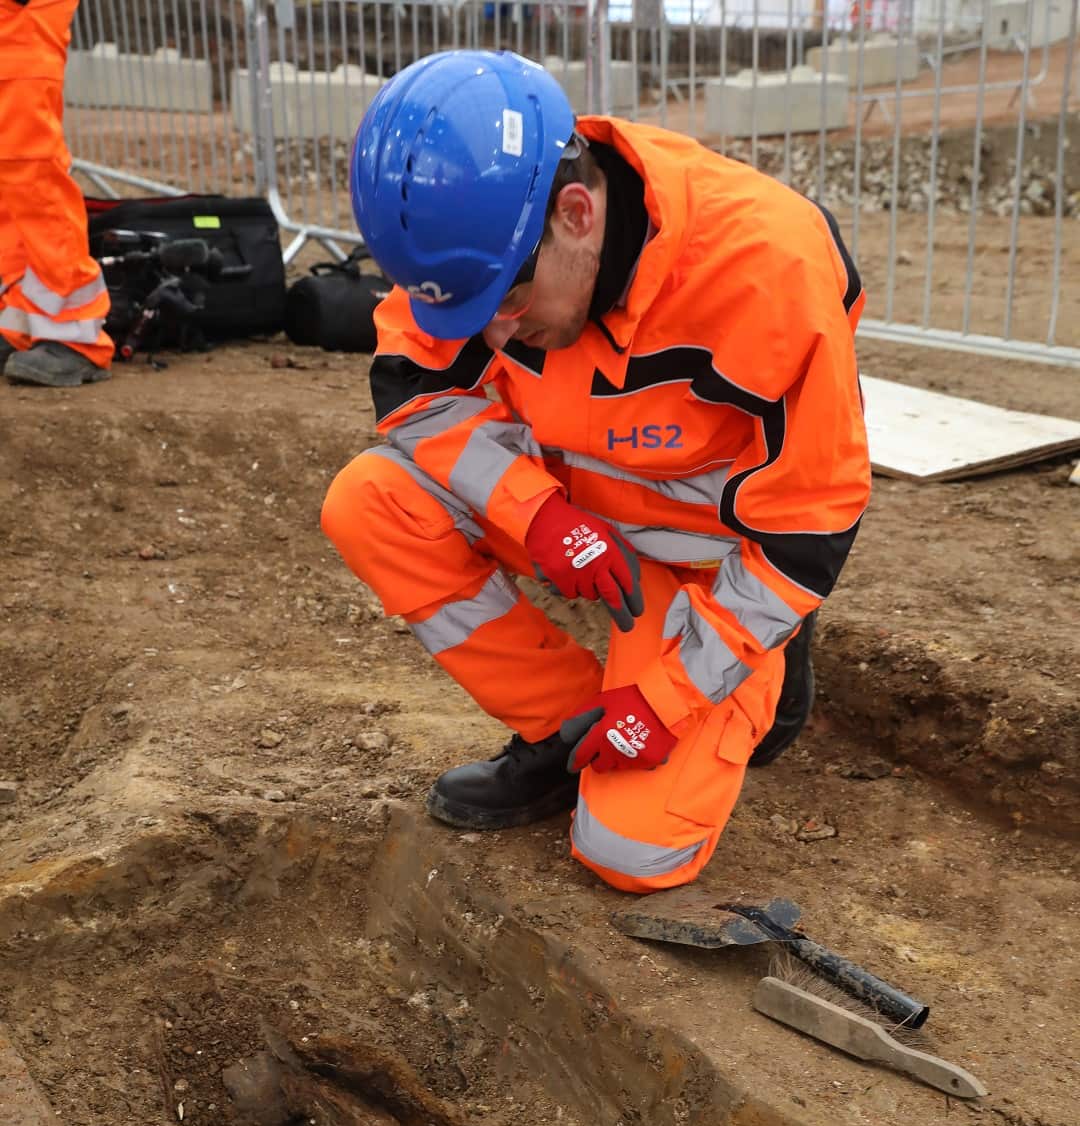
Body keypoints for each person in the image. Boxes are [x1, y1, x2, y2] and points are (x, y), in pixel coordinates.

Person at [322, 49, 870, 895]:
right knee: (370, 502)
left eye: (506, 304)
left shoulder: (769, 273)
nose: (492, 336)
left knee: (629, 853)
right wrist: (537, 514)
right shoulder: (480, 245)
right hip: (578, 518)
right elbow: (413, 385)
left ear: (577, 213)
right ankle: (567, 726)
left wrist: (662, 702)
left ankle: (750, 665)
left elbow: (806, 528)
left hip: (705, 568)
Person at [0, 0, 113, 386]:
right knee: (11, 176)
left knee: (30, 168)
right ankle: (18, 320)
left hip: (22, 15)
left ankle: (76, 335)